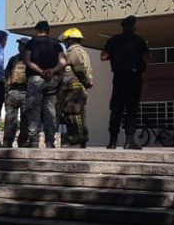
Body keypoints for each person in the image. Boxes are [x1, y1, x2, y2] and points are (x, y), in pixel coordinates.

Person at [101, 15, 150, 150]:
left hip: (119, 77)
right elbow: (147, 58)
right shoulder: (139, 41)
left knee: (116, 109)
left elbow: (103, 56)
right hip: (133, 77)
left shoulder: (113, 40)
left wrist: (115, 53)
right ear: (134, 27)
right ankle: (129, 141)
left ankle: (112, 141)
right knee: (131, 110)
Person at [23, 20, 67, 148]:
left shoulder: (31, 43)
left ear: (37, 30)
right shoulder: (56, 44)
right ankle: (50, 141)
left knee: (33, 110)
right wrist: (51, 71)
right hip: (52, 79)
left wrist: (41, 71)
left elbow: (26, 60)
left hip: (36, 79)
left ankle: (34, 141)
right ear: (48, 31)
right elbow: (63, 62)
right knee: (50, 111)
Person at [58, 28, 94, 148]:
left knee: (72, 113)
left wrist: (87, 81)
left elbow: (79, 69)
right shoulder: (80, 51)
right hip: (77, 90)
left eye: (66, 41)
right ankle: (81, 138)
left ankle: (76, 139)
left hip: (74, 89)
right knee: (79, 114)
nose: (65, 43)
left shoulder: (74, 52)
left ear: (70, 40)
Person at [1, 37, 31, 148]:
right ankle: (19, 142)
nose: (19, 47)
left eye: (21, 44)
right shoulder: (31, 59)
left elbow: (5, 73)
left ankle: (9, 142)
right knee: (18, 119)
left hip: (17, 92)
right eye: (19, 44)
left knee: (15, 119)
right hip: (19, 92)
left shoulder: (14, 59)